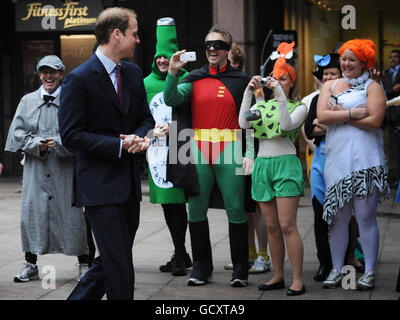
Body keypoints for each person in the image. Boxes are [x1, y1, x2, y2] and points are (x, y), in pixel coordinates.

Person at [58, 7, 154, 300]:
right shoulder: (79, 79)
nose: (138, 40)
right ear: (117, 34)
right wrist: (119, 145)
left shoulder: (134, 73)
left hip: (128, 186)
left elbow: (145, 118)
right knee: (121, 270)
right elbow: (71, 135)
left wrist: (140, 137)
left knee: (113, 261)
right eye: (134, 34)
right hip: (98, 188)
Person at [164, 26, 251, 288]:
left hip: (231, 147)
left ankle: (240, 269)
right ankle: (202, 268)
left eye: (218, 45)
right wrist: (172, 72)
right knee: (196, 210)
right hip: (199, 148)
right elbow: (170, 98)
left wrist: (250, 153)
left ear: (228, 49)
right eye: (208, 46)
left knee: (236, 209)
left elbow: (252, 121)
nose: (212, 50)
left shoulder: (241, 79)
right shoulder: (193, 77)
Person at [5, 55, 90, 283]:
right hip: (36, 172)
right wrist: (36, 145)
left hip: (66, 170)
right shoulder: (27, 101)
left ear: (61, 74)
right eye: (44, 72)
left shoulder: (73, 99)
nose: (48, 76)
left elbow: (81, 133)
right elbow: (17, 134)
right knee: (32, 216)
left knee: (74, 217)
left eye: (53, 71)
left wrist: (59, 143)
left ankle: (84, 263)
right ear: (39, 74)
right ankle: (31, 264)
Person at [317, 39, 389, 291]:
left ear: (364, 62)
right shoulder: (330, 84)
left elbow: (375, 121)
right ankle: (337, 270)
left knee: (367, 217)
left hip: (366, 163)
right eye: (343, 59)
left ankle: (368, 271)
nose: (346, 64)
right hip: (337, 162)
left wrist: (342, 117)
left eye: (352, 60)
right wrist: (351, 114)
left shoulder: (373, 87)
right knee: (337, 218)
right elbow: (322, 116)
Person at [239, 41, 307, 296]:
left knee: (288, 224)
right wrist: (248, 92)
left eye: (284, 78)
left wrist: (279, 94)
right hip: (262, 165)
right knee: (271, 227)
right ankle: (278, 275)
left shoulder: (299, 107)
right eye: (274, 78)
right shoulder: (260, 105)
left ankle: (297, 278)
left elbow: (286, 124)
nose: (278, 81)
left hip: (286, 165)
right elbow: (243, 123)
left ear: (292, 81)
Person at [144, 17, 194, 276]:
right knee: (167, 203)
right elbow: (141, 119)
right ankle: (181, 252)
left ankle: (180, 253)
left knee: (178, 202)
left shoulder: (187, 79)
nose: (163, 61)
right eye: (159, 57)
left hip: (181, 148)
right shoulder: (146, 83)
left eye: (167, 56)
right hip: (156, 151)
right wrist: (151, 133)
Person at [226, 42, 271, 274]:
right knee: (242, 206)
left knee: (258, 207)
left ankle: (263, 255)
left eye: (231, 61)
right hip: (233, 148)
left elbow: (258, 118)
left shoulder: (250, 85)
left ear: (238, 63)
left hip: (251, 148)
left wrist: (250, 153)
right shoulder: (222, 82)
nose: (227, 65)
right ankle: (248, 253)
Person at [304, 53, 340, 281]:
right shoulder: (316, 100)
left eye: (332, 74)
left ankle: (342, 262)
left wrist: (323, 123)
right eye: (324, 74)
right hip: (320, 163)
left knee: (342, 216)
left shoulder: (350, 97)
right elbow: (309, 130)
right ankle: (324, 263)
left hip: (342, 162)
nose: (327, 77)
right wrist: (337, 123)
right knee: (320, 216)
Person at [382, 50, 400, 187]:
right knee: (394, 150)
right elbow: (384, 91)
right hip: (390, 117)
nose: (393, 59)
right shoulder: (386, 73)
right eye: (391, 57)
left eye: (396, 57)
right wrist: (393, 89)